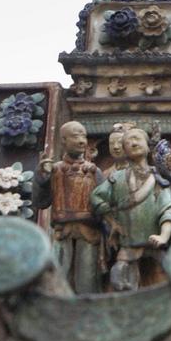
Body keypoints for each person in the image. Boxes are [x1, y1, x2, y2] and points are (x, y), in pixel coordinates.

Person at [91, 124, 171, 291]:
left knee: (167, 281)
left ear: (148, 146)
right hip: (128, 245)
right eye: (128, 142)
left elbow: (168, 210)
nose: (133, 143)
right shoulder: (116, 178)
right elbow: (96, 197)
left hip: (155, 245)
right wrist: (112, 222)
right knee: (119, 283)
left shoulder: (157, 180)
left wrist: (164, 236)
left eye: (137, 139)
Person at [38, 120, 105, 294]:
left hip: (89, 232)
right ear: (63, 140)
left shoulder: (94, 171)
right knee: (58, 278)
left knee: (87, 280)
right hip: (62, 232)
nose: (82, 141)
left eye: (84, 136)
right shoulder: (55, 170)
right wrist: (42, 178)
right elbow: (41, 202)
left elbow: (105, 205)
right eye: (76, 136)